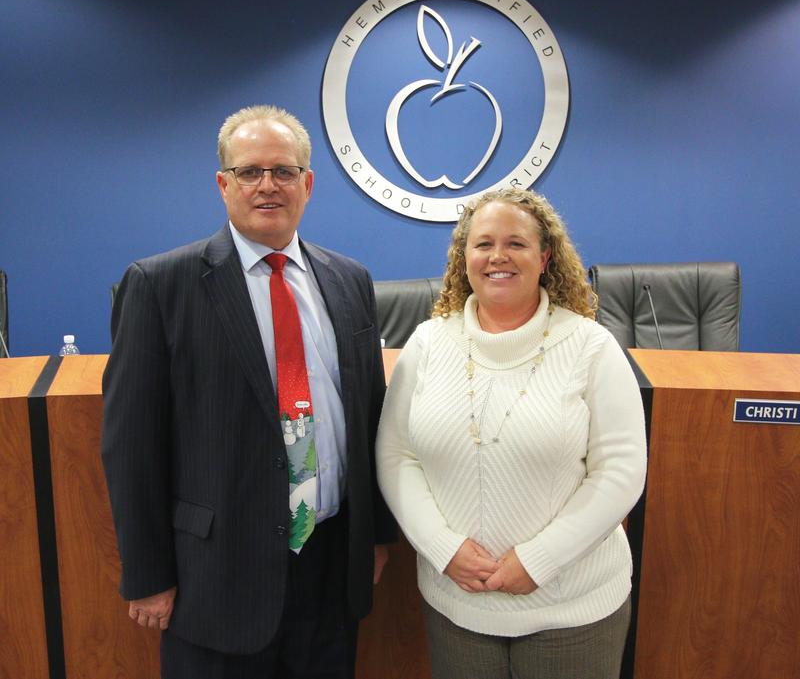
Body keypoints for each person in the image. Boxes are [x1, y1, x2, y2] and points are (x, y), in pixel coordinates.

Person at [102, 105, 395, 679]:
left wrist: (375, 535)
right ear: (223, 184)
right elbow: (130, 444)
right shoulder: (161, 284)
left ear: (307, 184)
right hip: (216, 576)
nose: (268, 185)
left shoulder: (349, 279)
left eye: (284, 171)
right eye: (249, 171)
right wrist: (147, 573)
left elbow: (369, 418)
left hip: (331, 559)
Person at [376, 188, 647, 679]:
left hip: (572, 610)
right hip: (458, 603)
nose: (498, 257)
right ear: (464, 259)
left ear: (545, 257)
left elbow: (621, 471)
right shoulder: (428, 343)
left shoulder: (590, 346)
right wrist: (441, 547)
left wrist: (541, 559)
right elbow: (396, 455)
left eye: (516, 244)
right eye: (483, 244)